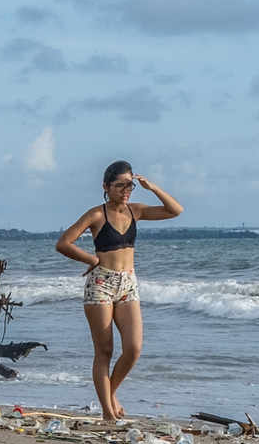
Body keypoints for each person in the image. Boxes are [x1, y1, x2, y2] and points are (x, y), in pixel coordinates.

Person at [54, 161, 183, 422]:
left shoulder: (135, 211)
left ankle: (110, 393)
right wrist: (91, 260)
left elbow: (175, 210)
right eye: (120, 185)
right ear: (106, 186)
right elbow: (63, 243)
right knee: (104, 351)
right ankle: (107, 413)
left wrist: (152, 187)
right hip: (101, 284)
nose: (126, 190)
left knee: (133, 348)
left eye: (130, 185)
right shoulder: (96, 214)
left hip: (128, 284)